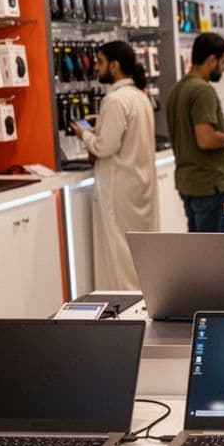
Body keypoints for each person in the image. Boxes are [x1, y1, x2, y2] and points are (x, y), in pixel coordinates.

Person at [71, 40, 159, 290]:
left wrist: (84, 135)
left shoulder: (116, 101)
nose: (95, 68)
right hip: (139, 186)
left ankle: (127, 312)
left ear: (115, 65)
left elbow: (105, 147)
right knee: (139, 254)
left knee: (121, 255)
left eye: (99, 62)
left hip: (119, 188)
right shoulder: (140, 97)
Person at [166, 33, 224, 232]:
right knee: (214, 254)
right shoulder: (203, 91)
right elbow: (205, 139)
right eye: (223, 62)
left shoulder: (178, 90)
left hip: (189, 183)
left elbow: (192, 130)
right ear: (211, 60)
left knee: (198, 251)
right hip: (210, 185)